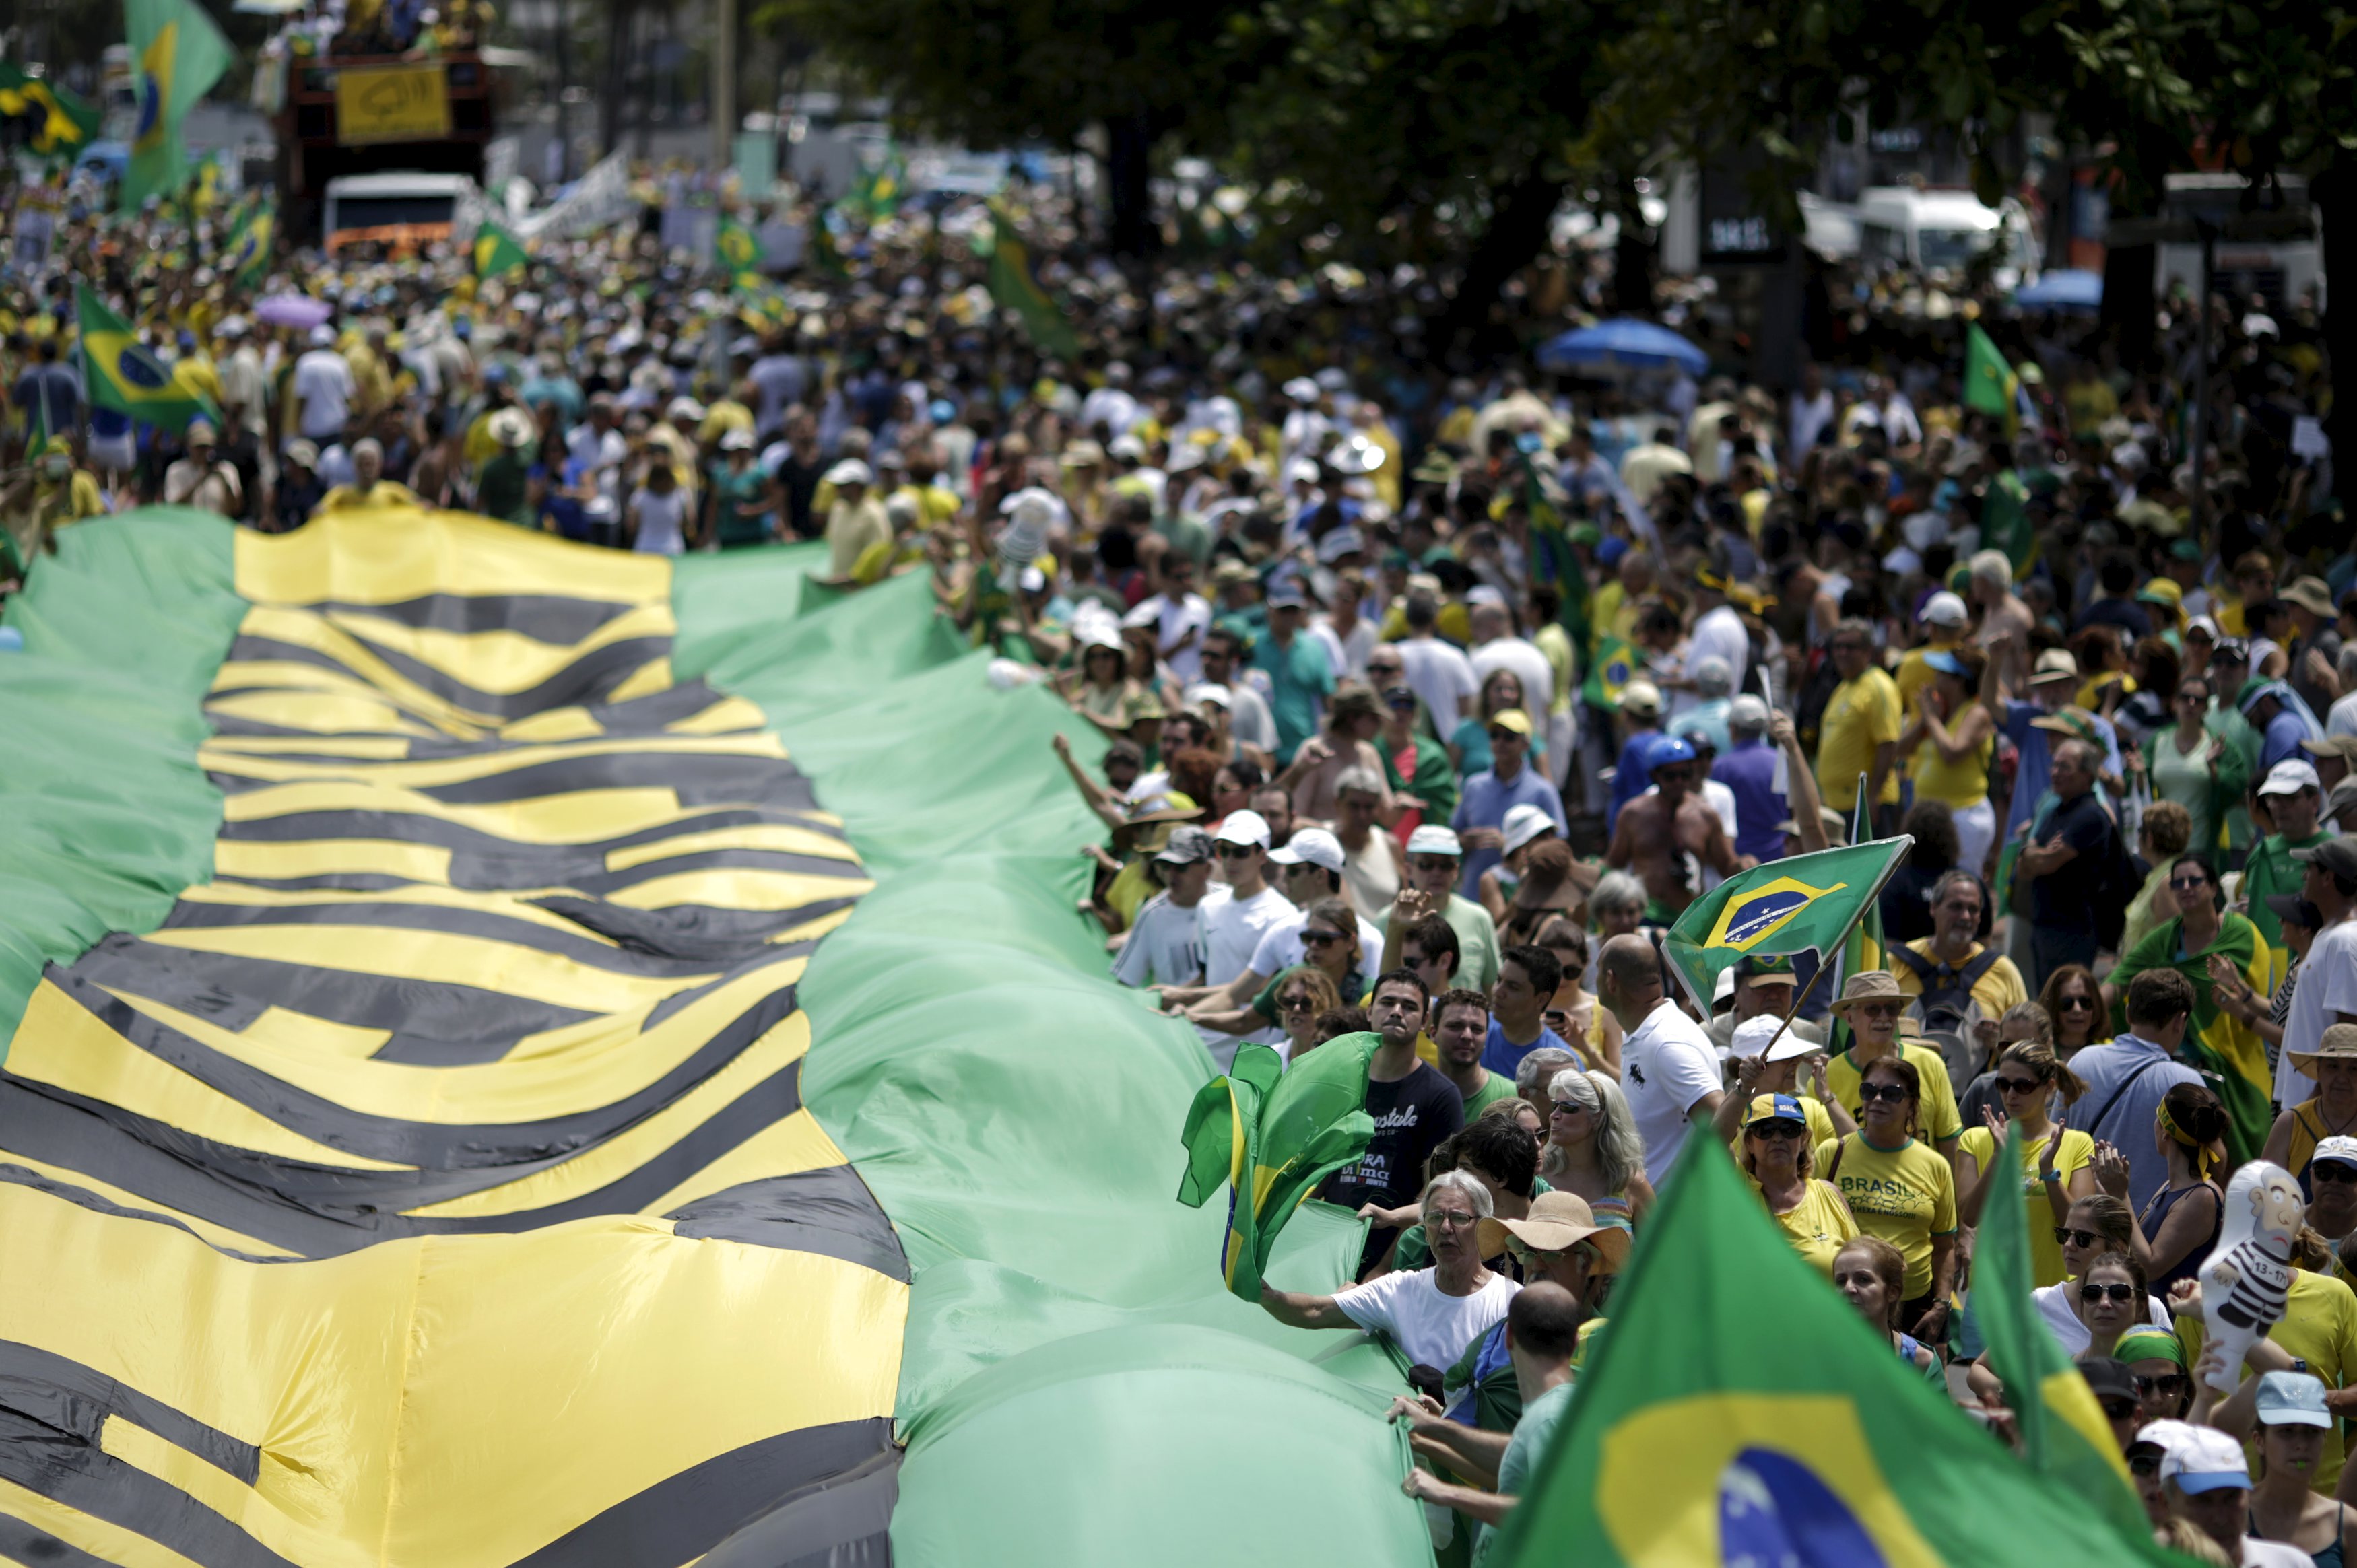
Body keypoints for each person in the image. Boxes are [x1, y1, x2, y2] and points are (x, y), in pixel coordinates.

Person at [1396, 1281, 1585, 1568]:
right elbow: (1514, 1454)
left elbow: (1552, 1513)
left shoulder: (1551, 1415)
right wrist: (1436, 1426)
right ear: (1573, 1344)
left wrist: (1449, 1493)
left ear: (1508, 1338)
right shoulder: (1550, 1410)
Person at [2100, 852, 2272, 1163]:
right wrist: (2084, 1010)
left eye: (2195, 880)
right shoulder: (2165, 937)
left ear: (2213, 887)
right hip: (2181, 1066)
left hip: (2237, 1062)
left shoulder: (2241, 934)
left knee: (2250, 1152)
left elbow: (2267, 999)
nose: (2186, 887)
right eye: (2178, 882)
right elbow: (2120, 978)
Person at [1261, 1169, 1515, 1362]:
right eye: (1435, 1218)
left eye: (1459, 1218)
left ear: (1483, 1227)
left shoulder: (1511, 1302)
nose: (1446, 1229)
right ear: (1425, 1231)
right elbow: (1314, 1311)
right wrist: (1265, 1296)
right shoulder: (1400, 1290)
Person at [1321, 971, 1467, 1272]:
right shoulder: (1340, 1084)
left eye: (1409, 1006)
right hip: (1327, 1249)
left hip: (1397, 1261)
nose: (1397, 1011)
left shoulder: (1441, 1095)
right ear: (1370, 1012)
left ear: (1426, 1021)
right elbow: (1318, 1172)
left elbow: (1435, 1192)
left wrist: (1383, 1270)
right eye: (1388, 1002)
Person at [1816, 1055, 1958, 1340]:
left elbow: (1944, 1245)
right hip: (1848, 1304)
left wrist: (1942, 1305)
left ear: (1911, 1103)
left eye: (1891, 1093)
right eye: (1869, 1091)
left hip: (1914, 1311)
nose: (1878, 1099)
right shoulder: (1831, 1153)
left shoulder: (1935, 1165)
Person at [1958, 1038, 2096, 1286]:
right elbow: (1969, 1216)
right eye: (2003, 1084)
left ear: (2049, 1087)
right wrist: (1998, 1159)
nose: (2010, 1095)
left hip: (2053, 1299)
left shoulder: (2077, 1143)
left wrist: (2049, 1173)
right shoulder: (1975, 1139)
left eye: (2023, 1086)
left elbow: (2076, 1228)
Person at [2069, 969, 2207, 1215]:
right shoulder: (2187, 1083)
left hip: (2083, 1227)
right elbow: (2209, 1162)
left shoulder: (2080, 1062)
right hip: (2148, 1232)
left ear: (2128, 1013)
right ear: (2180, 1021)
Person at [1602, 932, 1723, 1186]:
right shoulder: (1647, 1034)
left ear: (1611, 981)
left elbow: (1719, 1118)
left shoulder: (1667, 1044)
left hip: (1678, 1217)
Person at [2094, 1081, 2228, 1299]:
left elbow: (2150, 1267)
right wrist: (2109, 1192)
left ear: (2165, 1131)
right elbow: (2136, 1249)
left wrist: (2121, 1195)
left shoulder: (2201, 1197)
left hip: (2177, 1328)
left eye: (2157, 1118)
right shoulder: (2172, 1187)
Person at [1604, 734, 1747, 921]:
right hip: (1647, 915)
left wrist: (1745, 864)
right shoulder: (1633, 814)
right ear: (1654, 775)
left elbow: (1726, 866)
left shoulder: (1705, 816)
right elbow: (1614, 863)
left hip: (1690, 918)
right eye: (1670, 776)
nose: (1679, 782)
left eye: (1685, 774)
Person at [1822, 970, 1963, 1157]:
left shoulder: (1931, 1064)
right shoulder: (1827, 1077)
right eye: (1872, 1009)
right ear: (1849, 1018)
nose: (1883, 1017)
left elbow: (1950, 1141)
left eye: (1892, 1008)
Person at [1889, 867, 2028, 1053]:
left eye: (1973, 909)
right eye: (1956, 907)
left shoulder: (2003, 970)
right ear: (1933, 908)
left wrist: (2003, 1042)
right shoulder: (1895, 964)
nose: (1965, 917)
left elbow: (2029, 1047)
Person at [2016, 738, 2117, 988]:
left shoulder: (2090, 815)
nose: (2055, 773)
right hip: (2044, 925)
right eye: (2054, 765)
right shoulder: (2056, 812)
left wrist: (2036, 854)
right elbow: (2024, 865)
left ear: (2087, 775)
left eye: (2065, 767)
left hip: (2072, 931)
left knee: (2065, 1002)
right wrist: (2034, 853)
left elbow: (2047, 863)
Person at [2157, 1422, 2317, 1568]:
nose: (2220, 1519)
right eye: (2203, 1502)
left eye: (2231, 1498)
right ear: (2165, 1503)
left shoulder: (2292, 1564)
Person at [1896, 647, 1997, 875]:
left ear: (1958, 681)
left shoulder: (1977, 714)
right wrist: (1926, 719)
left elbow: (1952, 753)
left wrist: (1931, 718)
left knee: (1960, 882)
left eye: (1941, 673)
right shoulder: (1937, 714)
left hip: (1964, 816)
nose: (1935, 678)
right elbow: (1901, 749)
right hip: (1929, 817)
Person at [2242, 1373, 2357, 1567]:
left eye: (2312, 1431)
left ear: (2325, 1439)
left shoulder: (2347, 1524)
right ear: (2259, 1441)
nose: (2301, 1444)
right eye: (2287, 1431)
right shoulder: (2234, 1514)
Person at [1737, 1092, 1859, 1274]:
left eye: (1789, 1129)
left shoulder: (1829, 1194)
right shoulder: (1738, 1191)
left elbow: (1861, 1262)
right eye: (1765, 1130)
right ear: (1749, 1144)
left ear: (1803, 1141)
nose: (1777, 1138)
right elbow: (1715, 1139)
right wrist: (1743, 1088)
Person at [1451, 710, 1567, 899]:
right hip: (1473, 894)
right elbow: (1454, 833)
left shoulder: (1543, 790)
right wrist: (1465, 841)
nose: (1500, 743)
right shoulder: (1474, 785)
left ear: (1526, 744)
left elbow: (1559, 847)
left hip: (1523, 899)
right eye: (1495, 736)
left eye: (1509, 737)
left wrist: (1510, 845)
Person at [2142, 675, 2245, 868]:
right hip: (2161, 848)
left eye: (2198, 700)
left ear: (2207, 707)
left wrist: (2214, 769)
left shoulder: (2219, 744)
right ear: (2174, 702)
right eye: (2185, 697)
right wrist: (2138, 772)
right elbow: (2137, 785)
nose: (2191, 704)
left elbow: (2238, 786)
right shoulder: (2157, 741)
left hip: (2201, 849)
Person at [1815, 617, 1904, 829]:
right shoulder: (1843, 688)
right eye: (1837, 646)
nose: (1842, 653)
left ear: (1868, 651)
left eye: (1850, 647)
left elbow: (1887, 745)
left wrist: (1872, 798)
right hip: (1837, 805)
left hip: (1866, 806)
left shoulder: (1879, 687)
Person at [1539, 1067, 1653, 1227]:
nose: (1554, 1116)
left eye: (1567, 1108)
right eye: (1555, 1106)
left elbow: (1658, 1250)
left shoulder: (1630, 1183)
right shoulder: (1538, 1176)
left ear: (1598, 1118)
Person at [1832, 1235, 1945, 1384]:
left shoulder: (1922, 1362)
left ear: (1893, 1292)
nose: (1848, 1288)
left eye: (1863, 1279)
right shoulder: (1815, 1353)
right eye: (1841, 1281)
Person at [1110, 825, 1211, 987]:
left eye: (1181, 867)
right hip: (1172, 1011)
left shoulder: (1228, 901)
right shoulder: (1153, 913)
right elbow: (1126, 979)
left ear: (1207, 869)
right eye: (1166, 866)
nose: (1171, 875)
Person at [2262, 1025, 2357, 1190]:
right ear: (2319, 1071)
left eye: (2353, 1069)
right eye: (2333, 1067)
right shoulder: (2291, 1123)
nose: (2342, 1078)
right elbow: (2265, 1193)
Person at [1713, 695, 1788, 863]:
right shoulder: (1782, 761)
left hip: (1740, 863)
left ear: (1733, 728)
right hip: (1780, 859)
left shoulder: (1720, 767)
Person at [1481, 944, 1570, 1079]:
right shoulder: (1475, 1030)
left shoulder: (1561, 1066)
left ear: (1541, 1000)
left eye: (1513, 987)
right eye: (1499, 980)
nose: (1498, 992)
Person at [1426, 986, 1516, 1118]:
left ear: (1486, 1038)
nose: (1467, 1036)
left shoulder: (1511, 1099)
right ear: (1434, 1034)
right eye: (1455, 1026)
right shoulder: (1415, 1095)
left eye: (1477, 1029)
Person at [2121, 801, 2195, 960]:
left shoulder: (2167, 882)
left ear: (2149, 839)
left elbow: (2174, 948)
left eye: (2140, 830)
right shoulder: (2158, 877)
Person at [162, 420, 242, 516]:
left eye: (207, 447)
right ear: (189, 446)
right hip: (188, 526)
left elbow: (236, 508)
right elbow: (173, 506)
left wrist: (225, 483)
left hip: (217, 525)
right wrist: (201, 480)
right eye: (199, 447)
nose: (204, 452)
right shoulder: (176, 470)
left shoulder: (226, 469)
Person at [2043, 962, 2109, 1058]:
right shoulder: (2039, 1054)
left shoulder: (2109, 1052)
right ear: (2053, 1007)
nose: (2077, 1009)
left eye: (2085, 1002)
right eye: (2067, 1003)